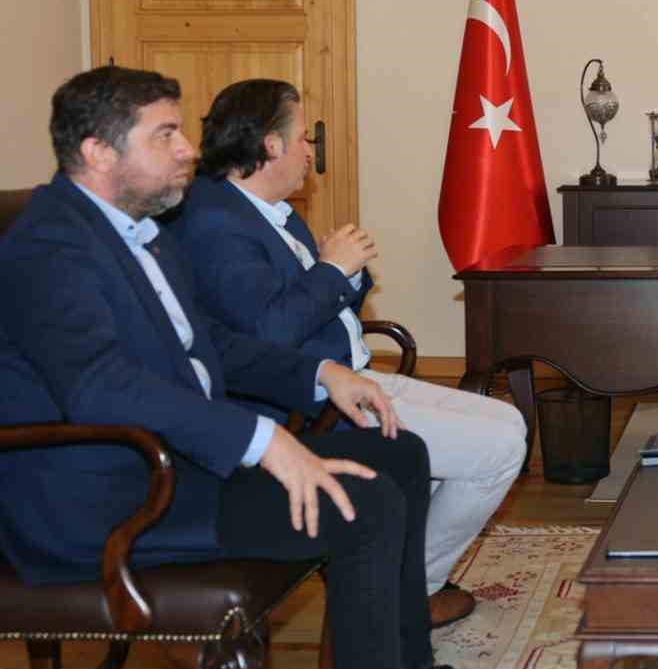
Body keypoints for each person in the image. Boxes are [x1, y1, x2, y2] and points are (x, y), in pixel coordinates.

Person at [0, 66, 515, 669]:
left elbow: (208, 341)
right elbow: (102, 385)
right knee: (364, 506)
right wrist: (263, 440)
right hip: (110, 495)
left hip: (176, 463)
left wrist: (320, 374)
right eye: (165, 135)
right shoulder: (47, 249)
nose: (189, 149)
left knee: (400, 453)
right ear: (99, 152)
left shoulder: (136, 228)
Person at [169, 78, 527, 629]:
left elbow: (319, 302)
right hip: (312, 403)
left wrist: (344, 273)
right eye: (302, 137)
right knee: (499, 448)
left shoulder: (270, 210)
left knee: (508, 421)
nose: (310, 150)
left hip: (352, 375)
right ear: (270, 144)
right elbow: (269, 333)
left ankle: (392, 570)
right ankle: (411, 589)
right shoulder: (215, 223)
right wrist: (333, 269)